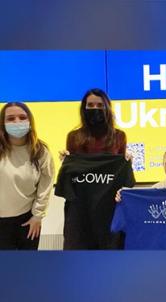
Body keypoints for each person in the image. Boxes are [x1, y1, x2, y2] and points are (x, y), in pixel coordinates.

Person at [56, 88, 135, 249]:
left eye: (99, 105)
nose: (94, 109)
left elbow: (121, 177)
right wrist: (67, 161)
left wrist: (127, 162)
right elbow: (72, 174)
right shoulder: (74, 137)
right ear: (83, 108)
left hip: (109, 209)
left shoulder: (119, 136)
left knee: (110, 254)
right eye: (90, 105)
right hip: (81, 208)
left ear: (107, 107)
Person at [0, 102, 54, 250]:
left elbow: (46, 185)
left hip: (27, 221)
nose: (17, 122)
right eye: (10, 118)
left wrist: (37, 216)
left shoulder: (40, 151)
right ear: (2, 123)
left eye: (22, 117)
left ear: (30, 121)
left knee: (27, 267)